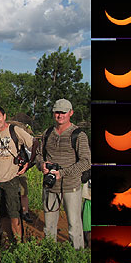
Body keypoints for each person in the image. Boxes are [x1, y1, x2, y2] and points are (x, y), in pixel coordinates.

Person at [37, 99, 90, 250]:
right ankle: (50, 254)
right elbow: (39, 155)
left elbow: (86, 162)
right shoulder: (47, 133)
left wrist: (63, 173)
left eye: (63, 112)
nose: (60, 115)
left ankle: (77, 256)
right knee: (49, 226)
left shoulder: (78, 135)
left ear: (70, 113)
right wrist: (42, 165)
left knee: (74, 225)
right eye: (57, 112)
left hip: (70, 186)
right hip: (50, 186)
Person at [0, 105, 34, 244]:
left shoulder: (14, 130)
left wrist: (28, 163)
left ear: (4, 116)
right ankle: (1, 242)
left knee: (14, 214)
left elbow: (33, 144)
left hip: (11, 179)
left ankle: (18, 243)